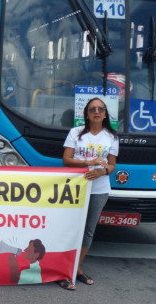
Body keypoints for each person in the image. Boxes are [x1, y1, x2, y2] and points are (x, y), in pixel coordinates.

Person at [57, 97, 119, 290]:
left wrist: (103, 171)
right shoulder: (75, 133)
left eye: (101, 108)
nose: (97, 111)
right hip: (75, 188)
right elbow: (66, 160)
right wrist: (89, 163)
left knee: (88, 230)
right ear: (87, 113)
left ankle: (75, 269)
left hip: (99, 190)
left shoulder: (112, 137)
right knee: (70, 228)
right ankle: (62, 268)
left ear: (106, 113)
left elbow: (112, 165)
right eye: (92, 108)